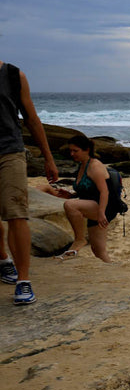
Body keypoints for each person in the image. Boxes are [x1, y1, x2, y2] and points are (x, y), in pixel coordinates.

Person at [1, 60, 59, 305]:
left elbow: (32, 119)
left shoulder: (14, 75)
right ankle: (4, 260)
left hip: (9, 152)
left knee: (16, 214)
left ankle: (23, 281)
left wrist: (48, 158)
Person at [51, 135, 118, 263]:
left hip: (104, 207)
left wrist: (101, 213)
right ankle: (113, 270)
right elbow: (87, 191)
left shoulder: (94, 166)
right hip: (93, 206)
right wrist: (71, 195)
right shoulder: (82, 165)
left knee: (70, 205)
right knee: (98, 250)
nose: (72, 154)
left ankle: (80, 239)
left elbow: (104, 191)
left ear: (86, 150)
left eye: (75, 151)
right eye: (70, 151)